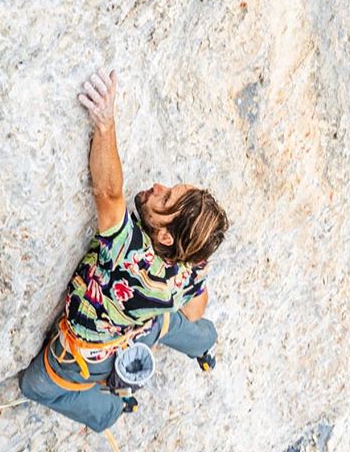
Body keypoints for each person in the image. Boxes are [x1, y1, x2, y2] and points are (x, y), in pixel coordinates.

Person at [20, 69, 229, 432]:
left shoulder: (130, 257)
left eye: (164, 198)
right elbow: (194, 307)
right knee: (169, 321)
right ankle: (204, 343)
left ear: (165, 238)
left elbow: (109, 193)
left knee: (34, 386)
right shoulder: (192, 262)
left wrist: (105, 124)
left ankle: (111, 408)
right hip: (142, 327)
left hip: (87, 354)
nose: (157, 187)